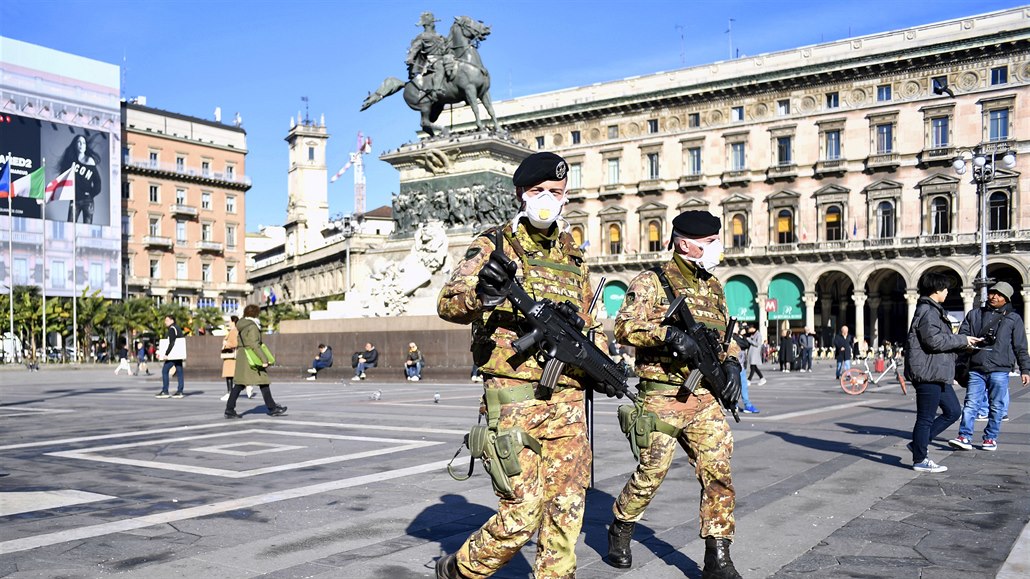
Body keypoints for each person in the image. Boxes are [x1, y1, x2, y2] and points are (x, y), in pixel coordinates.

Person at [435, 151, 607, 579]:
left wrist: (598, 357)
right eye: (538, 192)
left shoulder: (573, 258)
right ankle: (462, 569)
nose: (547, 199)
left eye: (556, 192)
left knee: (567, 507)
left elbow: (591, 321)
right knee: (522, 513)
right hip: (514, 397)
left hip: (568, 397)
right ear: (520, 195)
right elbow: (448, 303)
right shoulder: (494, 244)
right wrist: (483, 293)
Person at [606, 209, 742, 578]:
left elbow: (725, 340)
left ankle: (718, 557)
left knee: (718, 471)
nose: (717, 247)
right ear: (685, 244)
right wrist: (668, 336)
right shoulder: (652, 282)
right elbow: (624, 327)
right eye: (710, 242)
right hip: (662, 395)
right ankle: (621, 524)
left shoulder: (713, 287)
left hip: (704, 398)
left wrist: (731, 363)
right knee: (652, 472)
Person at [905, 272, 981, 473]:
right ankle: (920, 458)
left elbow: (939, 341)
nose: (947, 292)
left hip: (938, 372)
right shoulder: (927, 311)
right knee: (925, 418)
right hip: (928, 373)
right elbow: (934, 341)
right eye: (945, 288)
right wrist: (962, 340)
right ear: (936, 290)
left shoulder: (933, 310)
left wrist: (965, 344)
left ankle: (918, 444)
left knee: (953, 411)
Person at [948, 281, 1030, 452]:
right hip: (976, 367)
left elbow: (1020, 346)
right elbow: (962, 334)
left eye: (999, 295)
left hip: (1000, 368)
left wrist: (1025, 369)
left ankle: (990, 438)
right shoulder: (975, 314)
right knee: (971, 403)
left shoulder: (1013, 318)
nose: (994, 296)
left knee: (997, 405)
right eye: (993, 293)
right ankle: (964, 436)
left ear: (1006, 298)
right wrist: (967, 343)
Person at [225, 304, 287, 419]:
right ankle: (272, 408)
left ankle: (229, 409)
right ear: (256, 313)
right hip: (252, 357)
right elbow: (254, 344)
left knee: (239, 384)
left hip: (243, 356)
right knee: (262, 381)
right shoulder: (252, 326)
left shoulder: (242, 324)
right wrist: (264, 359)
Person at [59, 134, 102, 224]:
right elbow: (64, 177)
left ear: (86, 146)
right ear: (75, 145)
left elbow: (97, 182)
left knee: (87, 229)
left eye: (84, 143)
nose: (81, 145)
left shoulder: (90, 161)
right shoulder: (71, 161)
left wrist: (91, 193)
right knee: (70, 226)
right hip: (75, 199)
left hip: (88, 201)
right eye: (79, 142)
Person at [405, 11, 448, 101]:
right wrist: (410, 58)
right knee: (439, 66)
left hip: (444, 57)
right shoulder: (422, 36)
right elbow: (415, 48)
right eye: (432, 22)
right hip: (432, 60)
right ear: (427, 24)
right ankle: (436, 89)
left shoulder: (440, 36)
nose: (433, 24)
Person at [220, 316, 252, 400]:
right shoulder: (235, 331)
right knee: (234, 375)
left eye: (230, 321)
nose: (229, 323)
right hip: (231, 356)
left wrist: (226, 344)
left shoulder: (234, 331)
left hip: (230, 356)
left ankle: (230, 393)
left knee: (229, 375)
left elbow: (235, 343)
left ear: (233, 321)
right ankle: (247, 386)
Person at [155, 315, 185, 398]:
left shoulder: (172, 329)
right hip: (179, 354)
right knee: (179, 371)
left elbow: (171, 342)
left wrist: (166, 354)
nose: (165, 322)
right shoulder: (177, 328)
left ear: (172, 321)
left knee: (165, 370)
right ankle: (180, 391)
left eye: (167, 320)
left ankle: (165, 391)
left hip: (173, 355)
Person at [734, 325, 759, 414]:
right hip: (736, 365)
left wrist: (742, 336)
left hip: (742, 365)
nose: (739, 328)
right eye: (737, 326)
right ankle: (744, 404)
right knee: (739, 385)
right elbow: (743, 344)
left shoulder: (741, 337)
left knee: (742, 385)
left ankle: (737, 404)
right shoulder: (733, 337)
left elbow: (746, 344)